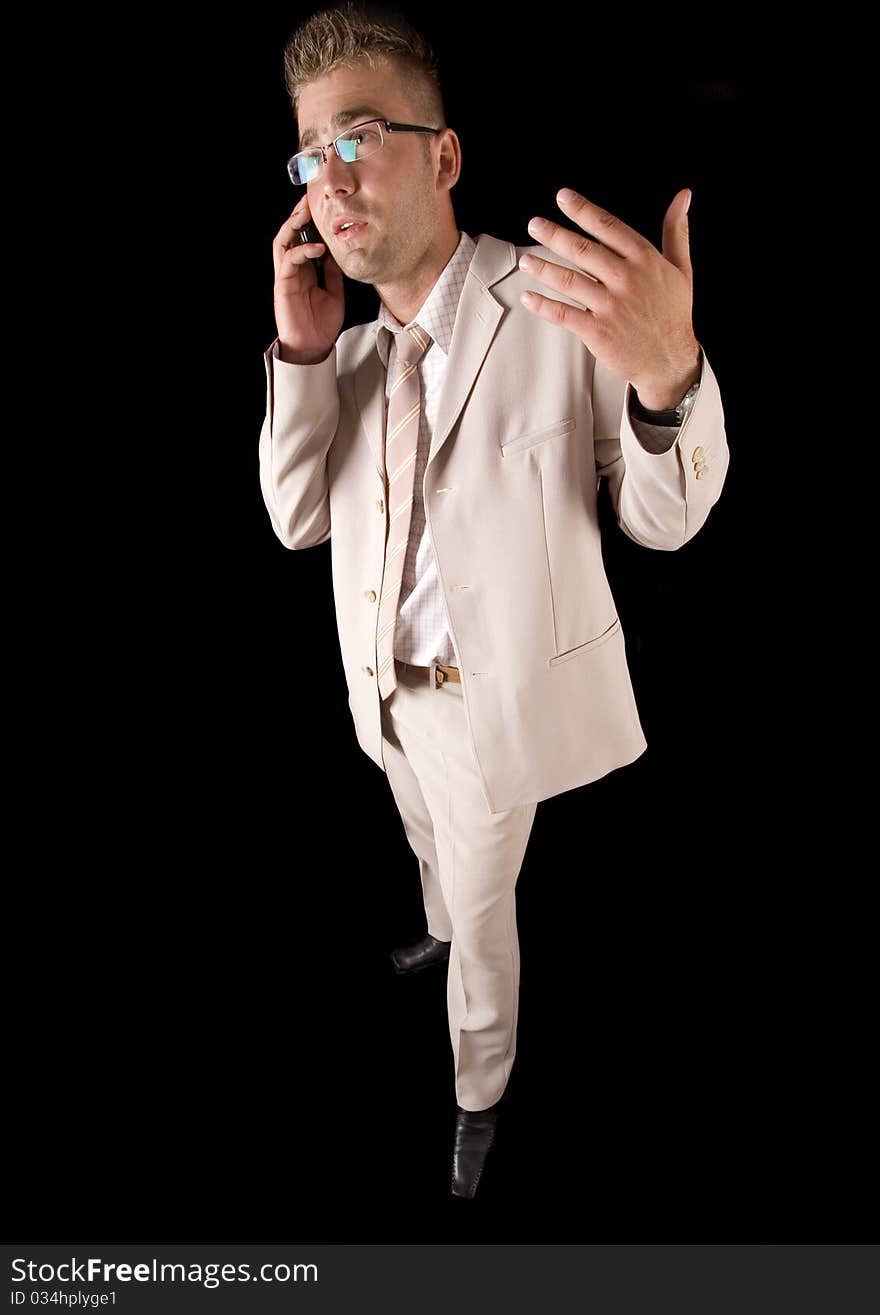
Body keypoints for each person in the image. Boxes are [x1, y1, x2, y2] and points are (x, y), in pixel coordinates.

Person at [259, 1, 730, 1199]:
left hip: (492, 714)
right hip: (386, 702)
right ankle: (431, 917)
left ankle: (479, 1090)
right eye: (311, 154)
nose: (331, 181)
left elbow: (665, 520)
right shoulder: (354, 360)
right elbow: (296, 518)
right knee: (420, 838)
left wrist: (670, 378)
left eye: (358, 138)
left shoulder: (559, 304)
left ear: (446, 154)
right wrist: (305, 358)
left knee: (485, 919)